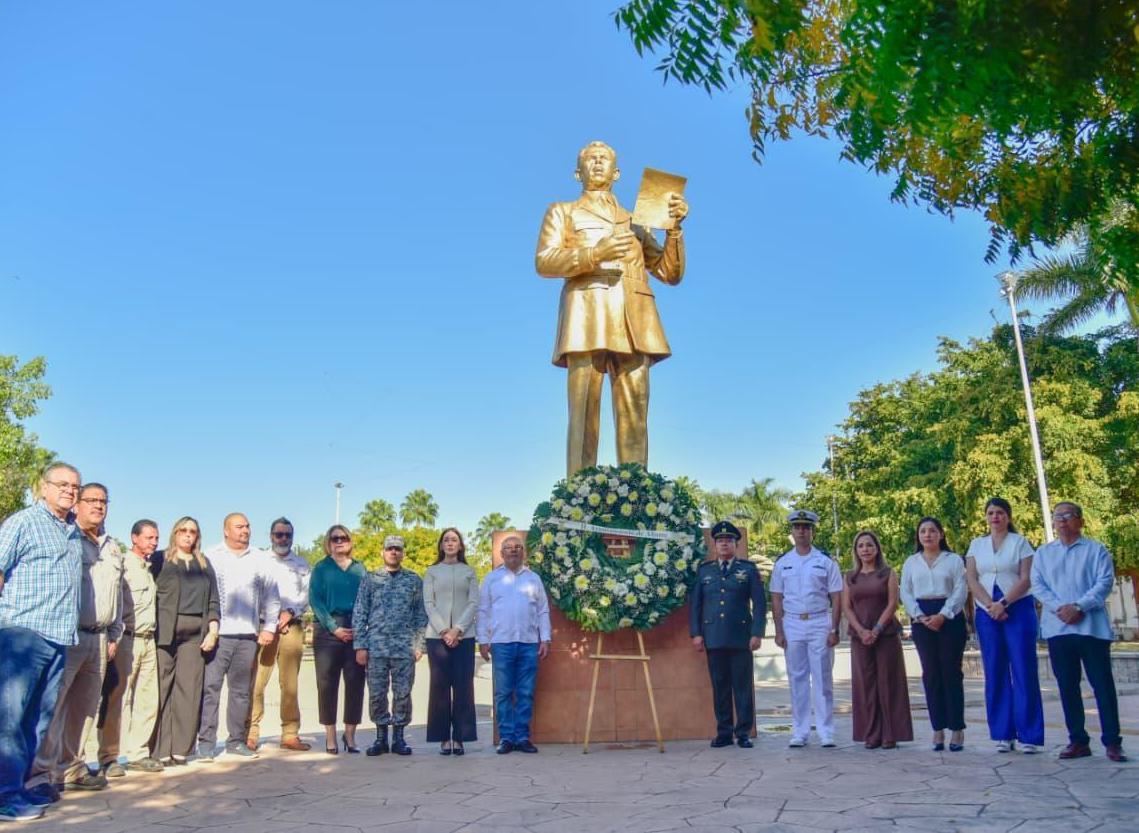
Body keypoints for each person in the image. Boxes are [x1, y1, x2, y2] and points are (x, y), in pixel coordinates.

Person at [535, 140, 689, 475]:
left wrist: (674, 231)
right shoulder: (563, 211)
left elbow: (669, 273)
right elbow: (545, 261)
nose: (597, 163)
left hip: (635, 319)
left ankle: (636, 492)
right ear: (577, 172)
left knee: (635, 414)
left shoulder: (636, 221)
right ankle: (577, 493)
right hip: (586, 314)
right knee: (583, 415)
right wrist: (595, 254)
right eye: (590, 159)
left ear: (616, 172)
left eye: (604, 159)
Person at [27, 482, 123, 795]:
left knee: (85, 707)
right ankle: (42, 773)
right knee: (54, 707)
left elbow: (117, 594)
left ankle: (71, 767)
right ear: (77, 504)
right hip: (69, 634)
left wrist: (114, 633)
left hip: (100, 639)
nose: (98, 506)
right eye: (91, 500)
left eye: (103, 501)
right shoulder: (67, 538)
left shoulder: (111, 546)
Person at [0, 462, 83, 821]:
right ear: (44, 487)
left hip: (59, 636)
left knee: (37, 719)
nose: (69, 490)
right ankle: (4, 796)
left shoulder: (72, 530)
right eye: (62, 484)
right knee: (9, 718)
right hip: (23, 633)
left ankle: (17, 787)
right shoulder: (24, 522)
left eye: (74, 486)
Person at [1031, 502, 1127, 762]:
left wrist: (1079, 606)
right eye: (1058, 517)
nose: (1062, 521)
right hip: (1058, 628)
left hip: (1091, 628)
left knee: (1102, 686)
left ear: (1081, 521)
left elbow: (1104, 582)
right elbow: (1037, 585)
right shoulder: (1044, 553)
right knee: (1067, 686)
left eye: (1068, 516)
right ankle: (1078, 740)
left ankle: (1112, 742)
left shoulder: (1096, 551)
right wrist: (1060, 608)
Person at [964, 497, 1044, 754]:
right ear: (986, 517)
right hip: (987, 611)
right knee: (995, 670)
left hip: (1017, 607)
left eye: (1000, 512)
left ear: (1008, 516)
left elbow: (1026, 578)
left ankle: (1029, 735)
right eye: (990, 513)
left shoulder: (1020, 543)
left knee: (1023, 669)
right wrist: (990, 605)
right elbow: (972, 579)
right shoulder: (976, 545)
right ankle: (1003, 733)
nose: (995, 517)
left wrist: (1004, 603)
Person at [198, 513, 279, 761]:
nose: (245, 530)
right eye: (239, 526)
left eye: (247, 526)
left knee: (241, 692)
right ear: (226, 530)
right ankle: (206, 744)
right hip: (218, 636)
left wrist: (269, 627)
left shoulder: (260, 558)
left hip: (247, 636)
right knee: (210, 689)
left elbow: (272, 596)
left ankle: (236, 741)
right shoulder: (211, 556)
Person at [770, 509, 843, 748]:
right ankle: (800, 731)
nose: (801, 531)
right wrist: (779, 630)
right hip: (792, 623)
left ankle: (825, 731)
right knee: (797, 678)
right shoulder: (783, 563)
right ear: (792, 531)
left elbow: (837, 596)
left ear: (812, 531)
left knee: (822, 678)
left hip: (819, 621)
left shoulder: (825, 561)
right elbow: (776, 597)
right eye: (797, 527)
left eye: (806, 527)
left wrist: (834, 629)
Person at [689, 521, 765, 748]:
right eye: (720, 541)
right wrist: (696, 633)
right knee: (720, 687)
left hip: (741, 637)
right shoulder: (705, 571)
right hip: (713, 636)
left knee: (742, 688)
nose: (724, 544)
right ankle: (724, 732)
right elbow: (696, 605)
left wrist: (757, 633)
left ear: (736, 544)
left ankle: (743, 733)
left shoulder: (748, 570)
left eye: (729, 540)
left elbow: (759, 604)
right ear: (714, 545)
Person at [97, 519, 164, 776]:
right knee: (116, 698)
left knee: (147, 699)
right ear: (134, 538)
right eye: (149, 537)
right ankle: (108, 756)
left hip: (148, 639)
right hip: (127, 639)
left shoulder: (149, 567)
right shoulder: (123, 564)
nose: (154, 542)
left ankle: (138, 753)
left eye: (156, 538)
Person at [152, 517, 219, 765]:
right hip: (164, 632)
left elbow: (214, 600)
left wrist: (213, 630)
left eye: (192, 531)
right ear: (175, 533)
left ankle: (181, 749)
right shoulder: (160, 559)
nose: (188, 534)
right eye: (183, 530)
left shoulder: (204, 563)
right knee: (162, 688)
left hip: (195, 634)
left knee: (189, 690)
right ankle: (160, 749)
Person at [354, 535, 428, 757]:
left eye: (397, 549)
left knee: (402, 694)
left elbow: (421, 615)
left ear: (403, 553)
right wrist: (360, 645)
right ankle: (380, 738)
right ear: (383, 552)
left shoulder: (413, 580)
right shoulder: (370, 579)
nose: (393, 552)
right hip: (376, 647)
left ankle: (399, 738)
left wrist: (419, 645)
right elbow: (360, 612)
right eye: (389, 549)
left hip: (404, 648)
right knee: (377, 694)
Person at [477, 536, 552, 754]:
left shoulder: (533, 579)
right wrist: (483, 640)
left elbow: (543, 610)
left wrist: (545, 638)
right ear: (501, 553)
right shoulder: (491, 579)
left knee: (525, 692)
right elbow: (483, 611)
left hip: (529, 643)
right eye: (508, 548)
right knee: (503, 693)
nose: (513, 551)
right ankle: (506, 738)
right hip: (501, 643)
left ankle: (522, 737)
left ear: (523, 552)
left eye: (518, 547)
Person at [900, 516, 968, 752]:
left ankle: (957, 728)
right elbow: (906, 592)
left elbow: (961, 589)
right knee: (931, 674)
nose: (927, 535)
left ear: (941, 534)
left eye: (932, 530)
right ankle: (937, 728)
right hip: (922, 618)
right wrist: (919, 615)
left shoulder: (953, 560)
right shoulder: (911, 562)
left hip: (949, 616)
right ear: (918, 536)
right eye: (923, 531)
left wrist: (944, 614)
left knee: (951, 672)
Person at [842, 530, 912, 750]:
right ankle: (871, 734)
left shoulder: (887, 573)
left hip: (886, 634)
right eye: (861, 546)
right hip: (859, 636)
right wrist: (862, 630)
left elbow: (893, 603)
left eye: (869, 545)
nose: (865, 549)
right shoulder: (850, 577)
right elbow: (846, 607)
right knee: (866, 684)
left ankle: (890, 733)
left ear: (877, 548)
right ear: (856, 551)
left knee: (888, 682)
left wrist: (877, 629)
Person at [247, 517, 312, 752]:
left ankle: (290, 734)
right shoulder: (259, 561)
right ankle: (250, 732)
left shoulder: (301, 564)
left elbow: (305, 596)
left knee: (290, 684)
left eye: (288, 535)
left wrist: (289, 613)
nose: (283, 539)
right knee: (256, 682)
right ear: (271, 536)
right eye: (279, 534)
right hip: (264, 627)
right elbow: (252, 593)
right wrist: (272, 620)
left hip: (291, 626)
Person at [309, 525, 367, 754]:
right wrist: (334, 628)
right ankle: (331, 737)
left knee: (355, 684)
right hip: (327, 631)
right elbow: (315, 600)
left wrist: (361, 629)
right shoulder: (321, 568)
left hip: (355, 629)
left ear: (350, 541)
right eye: (335, 538)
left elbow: (366, 600)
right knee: (327, 685)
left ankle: (350, 735)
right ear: (328, 542)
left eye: (344, 538)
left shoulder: (359, 568)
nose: (340, 541)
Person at [423, 528, 479, 755]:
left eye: (454, 540)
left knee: (463, 687)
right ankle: (443, 737)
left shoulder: (469, 571)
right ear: (441, 545)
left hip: (464, 637)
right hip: (437, 637)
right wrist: (444, 630)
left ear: (460, 545)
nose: (450, 543)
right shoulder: (432, 571)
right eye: (446, 540)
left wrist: (458, 629)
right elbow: (429, 603)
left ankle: (460, 737)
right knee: (440, 687)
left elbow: (473, 602)